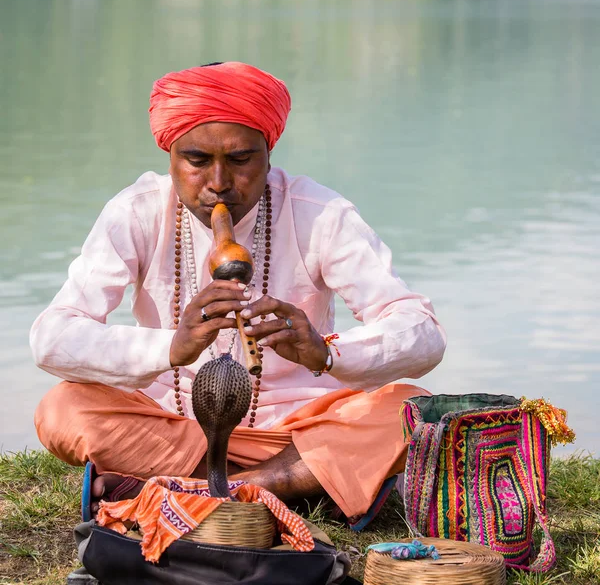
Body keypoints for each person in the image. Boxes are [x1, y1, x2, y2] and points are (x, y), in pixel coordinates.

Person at [31, 62, 446, 529]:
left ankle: (220, 489)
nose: (219, 182)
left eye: (240, 160)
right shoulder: (138, 211)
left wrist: (326, 352)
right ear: (170, 157)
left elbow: (422, 332)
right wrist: (168, 348)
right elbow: (53, 337)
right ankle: (290, 485)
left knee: (414, 413)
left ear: (268, 153)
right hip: (176, 425)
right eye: (197, 160)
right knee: (62, 408)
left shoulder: (321, 214)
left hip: (296, 428)